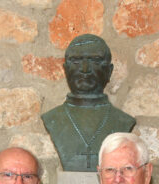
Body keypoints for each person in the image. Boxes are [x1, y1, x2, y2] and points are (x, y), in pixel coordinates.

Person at [41, 34, 135, 172]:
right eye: (76, 60)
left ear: (109, 71)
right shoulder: (52, 119)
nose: (85, 69)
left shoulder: (123, 121)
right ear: (66, 69)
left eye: (95, 60)